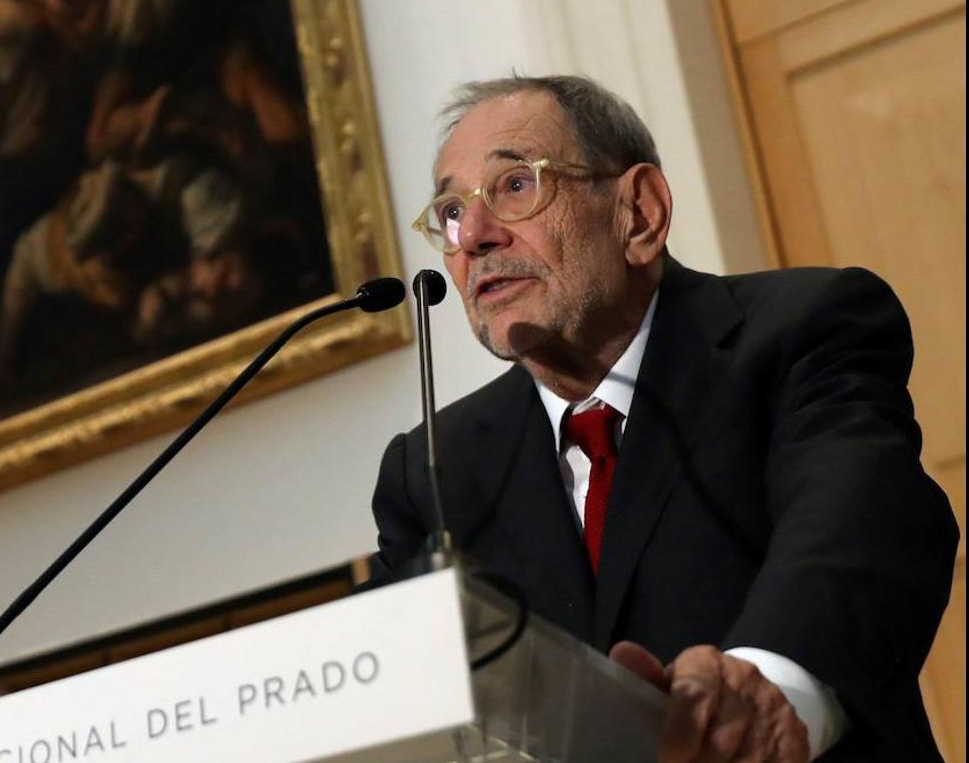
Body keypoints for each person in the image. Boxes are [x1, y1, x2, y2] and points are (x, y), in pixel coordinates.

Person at [364, 75, 958, 763]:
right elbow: (381, 679)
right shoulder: (436, 469)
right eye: (450, 211)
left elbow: (866, 517)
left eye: (515, 185)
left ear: (640, 213)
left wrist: (769, 692)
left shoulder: (801, 330)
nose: (473, 237)